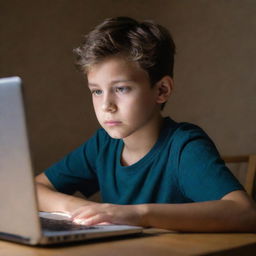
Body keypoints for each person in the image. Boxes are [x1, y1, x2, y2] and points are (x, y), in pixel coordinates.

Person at [35, 16, 256, 232]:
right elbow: (34, 189)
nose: (106, 105)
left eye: (121, 89)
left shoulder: (184, 146)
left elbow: (244, 212)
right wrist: (85, 209)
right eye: (97, 91)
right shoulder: (103, 144)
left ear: (161, 90)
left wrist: (139, 215)